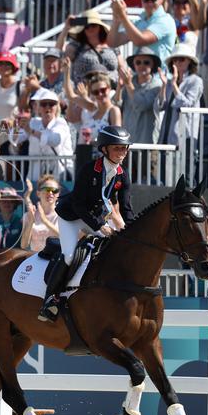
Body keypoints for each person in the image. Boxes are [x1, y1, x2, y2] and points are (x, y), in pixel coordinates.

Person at [40, 124, 134, 321]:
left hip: (95, 218)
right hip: (72, 216)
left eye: (125, 148)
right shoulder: (89, 169)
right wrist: (100, 226)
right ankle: (50, 300)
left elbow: (126, 208)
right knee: (69, 255)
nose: (122, 152)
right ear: (104, 149)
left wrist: (133, 230)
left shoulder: (122, 175)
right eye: (117, 148)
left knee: (113, 249)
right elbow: (78, 204)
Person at [11, 88, 75, 182]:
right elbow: (14, 139)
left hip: (58, 174)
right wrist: (17, 125)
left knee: (54, 191)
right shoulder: (34, 122)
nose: (47, 107)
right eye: (44, 104)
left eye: (51, 104)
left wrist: (31, 131)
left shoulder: (61, 123)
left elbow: (55, 140)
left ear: (57, 107)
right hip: (35, 174)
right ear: (39, 107)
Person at [107, 0, 178, 65]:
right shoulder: (139, 21)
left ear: (161, 0)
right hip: (139, 72)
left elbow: (141, 40)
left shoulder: (165, 20)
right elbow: (113, 42)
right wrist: (116, 19)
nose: (150, 3)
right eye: (146, 0)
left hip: (160, 72)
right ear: (142, 2)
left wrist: (123, 16)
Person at [120, 46, 165, 145]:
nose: (142, 65)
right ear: (134, 65)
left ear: (153, 65)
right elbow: (116, 104)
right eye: (138, 62)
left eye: (146, 62)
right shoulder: (129, 81)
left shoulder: (157, 85)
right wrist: (119, 86)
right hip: (127, 141)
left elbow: (141, 105)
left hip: (147, 143)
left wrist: (128, 85)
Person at [20, 175, 62, 253]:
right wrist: (31, 221)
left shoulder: (62, 215)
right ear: (38, 193)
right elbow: (24, 245)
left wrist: (45, 221)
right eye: (47, 189)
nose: (50, 193)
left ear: (58, 194)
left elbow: (65, 238)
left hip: (56, 258)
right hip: (35, 257)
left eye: (54, 190)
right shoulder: (28, 215)